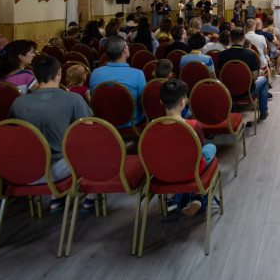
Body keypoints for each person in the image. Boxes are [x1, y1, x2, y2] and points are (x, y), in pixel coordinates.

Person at [9, 55, 93, 212]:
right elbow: (89, 131)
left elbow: (11, 134)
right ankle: (91, 198)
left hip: (24, 170)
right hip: (57, 170)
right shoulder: (73, 99)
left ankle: (57, 198)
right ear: (59, 72)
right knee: (94, 145)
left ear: (34, 75)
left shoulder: (18, 103)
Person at [159, 78, 218, 216]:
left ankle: (171, 199)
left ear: (161, 101)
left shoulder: (152, 128)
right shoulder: (193, 125)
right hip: (191, 171)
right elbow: (200, 150)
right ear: (183, 102)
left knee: (169, 158)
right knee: (210, 148)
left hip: (163, 173)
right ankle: (197, 195)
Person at [89, 36, 146, 127]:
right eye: (127, 46)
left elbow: (94, 97)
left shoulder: (95, 73)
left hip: (103, 122)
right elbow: (144, 101)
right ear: (124, 50)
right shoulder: (138, 74)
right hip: (131, 122)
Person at [217, 29, 270, 121]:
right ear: (244, 39)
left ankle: (232, 111)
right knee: (264, 80)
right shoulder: (251, 54)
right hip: (247, 91)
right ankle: (263, 112)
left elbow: (221, 74)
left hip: (228, 90)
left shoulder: (222, 55)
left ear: (230, 39)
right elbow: (254, 77)